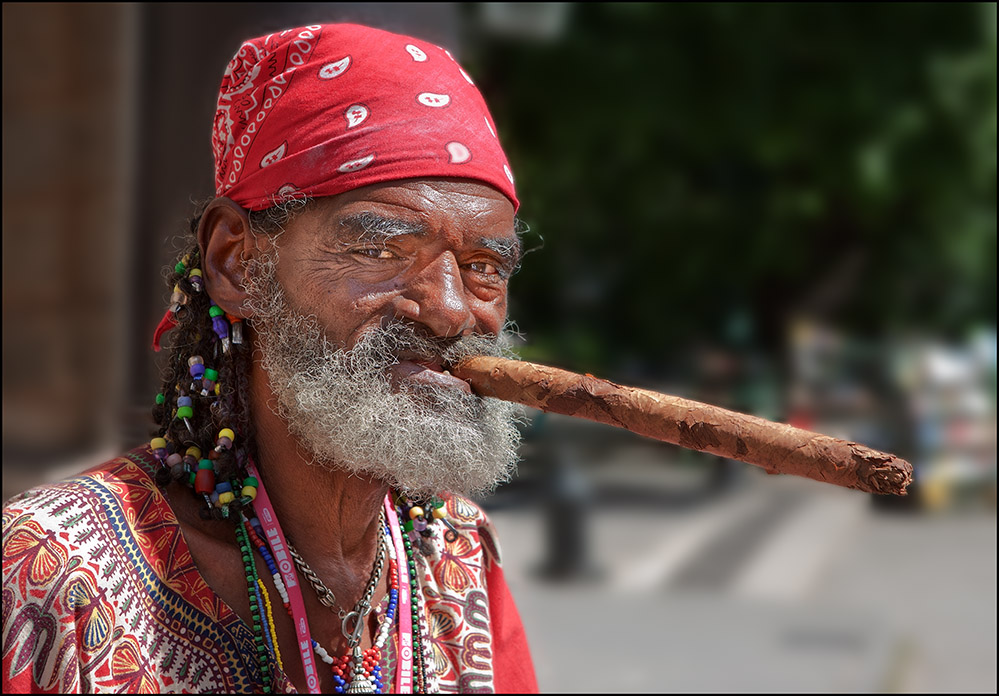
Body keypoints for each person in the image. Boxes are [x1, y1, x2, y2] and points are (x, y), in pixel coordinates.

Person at [2, 23, 538, 694]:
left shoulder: (455, 552)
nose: (452, 310)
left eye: (483, 266)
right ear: (236, 262)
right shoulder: (49, 571)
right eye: (380, 251)